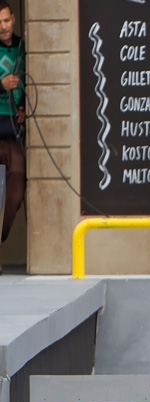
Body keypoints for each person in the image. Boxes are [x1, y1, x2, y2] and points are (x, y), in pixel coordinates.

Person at [0, 0, 24, 275]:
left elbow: (30, 81)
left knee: (16, 193)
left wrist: (22, 106)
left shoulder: (22, 47)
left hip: (13, 131)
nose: (4, 27)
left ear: (13, 19)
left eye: (7, 20)